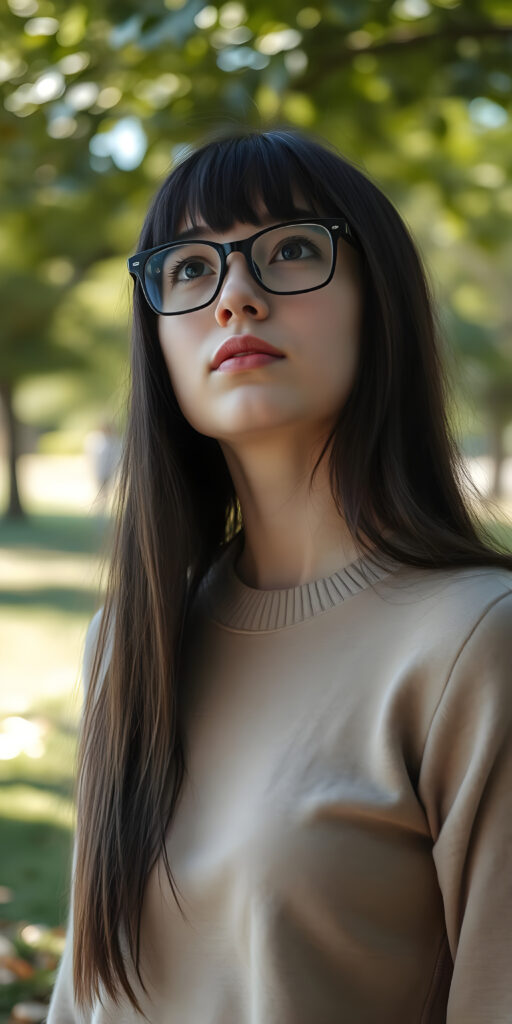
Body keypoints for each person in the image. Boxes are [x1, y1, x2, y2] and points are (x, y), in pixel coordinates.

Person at [46, 125, 512, 1024]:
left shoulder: (473, 644)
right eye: (189, 268)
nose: (237, 298)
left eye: (293, 250)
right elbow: (86, 998)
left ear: (382, 302)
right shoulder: (129, 644)